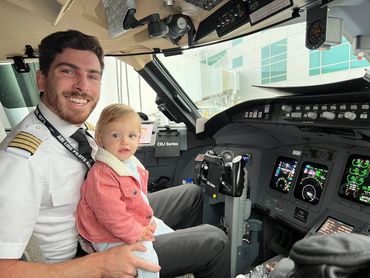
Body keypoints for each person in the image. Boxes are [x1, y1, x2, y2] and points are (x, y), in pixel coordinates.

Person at [0, 29, 230, 278]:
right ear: (41, 80)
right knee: (214, 240)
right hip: (89, 254)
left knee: (191, 194)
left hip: (105, 215)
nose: (82, 86)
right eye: (67, 71)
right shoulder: (21, 161)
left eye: (92, 75)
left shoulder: (80, 130)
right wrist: (100, 265)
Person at [76, 103, 173, 278]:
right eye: (115, 135)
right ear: (100, 138)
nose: (125, 141)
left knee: (168, 233)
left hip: (132, 221)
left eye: (131, 136)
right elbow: (112, 217)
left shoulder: (128, 162)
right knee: (146, 258)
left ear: (138, 138)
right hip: (109, 236)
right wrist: (138, 233)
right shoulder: (102, 175)